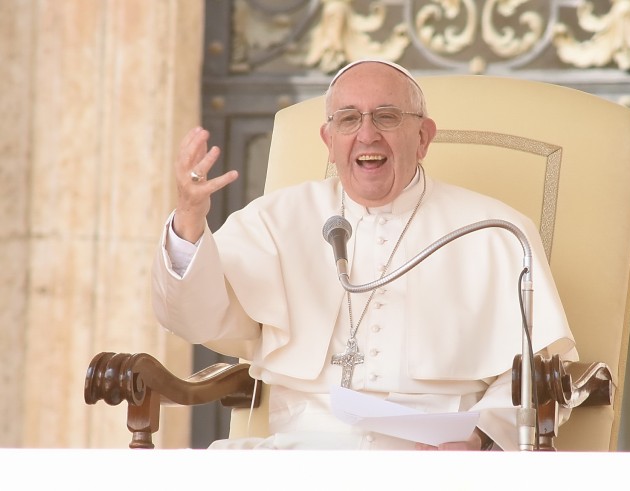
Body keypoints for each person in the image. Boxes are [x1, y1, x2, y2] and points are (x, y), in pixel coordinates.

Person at [152, 59, 577, 450]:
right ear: (329, 140)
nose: (367, 133)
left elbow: (541, 368)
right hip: (300, 453)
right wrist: (189, 219)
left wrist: (481, 437)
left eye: (387, 117)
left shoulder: (495, 229)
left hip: (434, 457)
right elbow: (192, 318)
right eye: (349, 119)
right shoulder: (276, 219)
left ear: (423, 137)